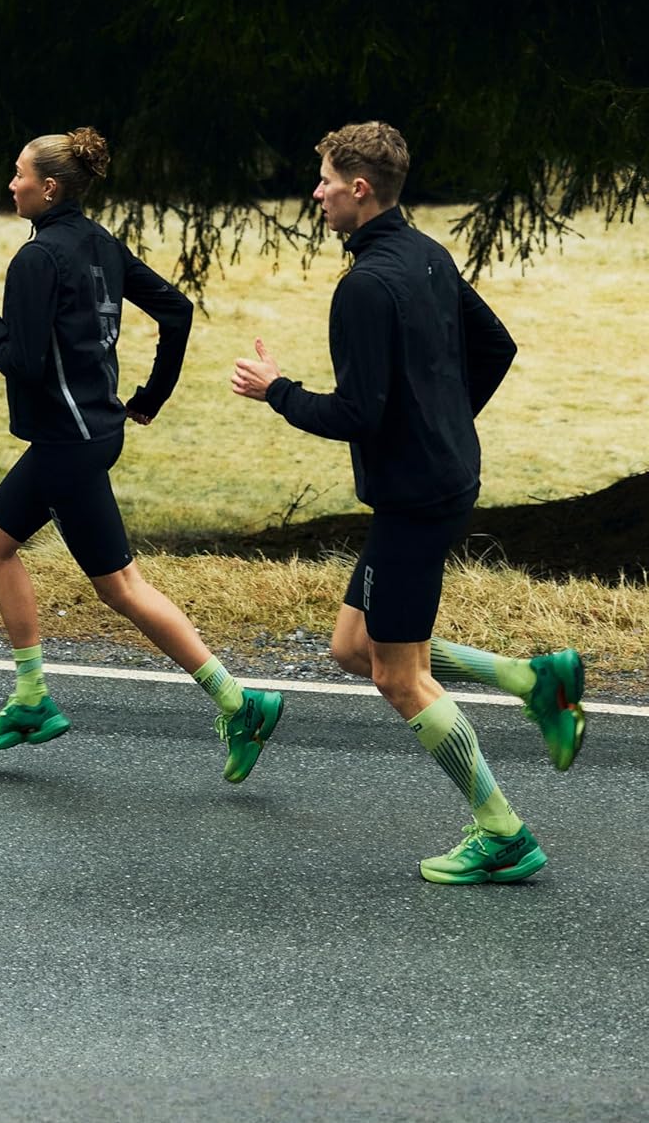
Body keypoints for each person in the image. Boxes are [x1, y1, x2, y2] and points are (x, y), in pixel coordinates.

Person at [231, 120, 585, 884]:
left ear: (360, 189)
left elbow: (355, 414)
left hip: (416, 496)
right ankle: (533, 680)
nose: (317, 193)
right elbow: (496, 347)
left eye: (327, 181)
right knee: (353, 647)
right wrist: (444, 423)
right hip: (437, 481)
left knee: (398, 676)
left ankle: (502, 831)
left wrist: (276, 391)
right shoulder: (427, 253)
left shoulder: (364, 287)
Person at [0, 126, 282, 780]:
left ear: (50, 188)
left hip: (67, 443)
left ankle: (239, 702)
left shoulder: (36, 260)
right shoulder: (100, 244)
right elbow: (177, 311)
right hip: (91, 432)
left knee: (122, 587)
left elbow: (24, 363)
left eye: (20, 174)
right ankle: (30, 697)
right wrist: (150, 397)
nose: (11, 183)